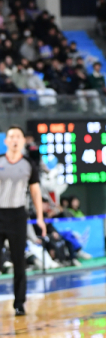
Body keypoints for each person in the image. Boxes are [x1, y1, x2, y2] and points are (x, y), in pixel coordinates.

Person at [0, 125, 46, 315]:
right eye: (11, 136)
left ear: (22, 141)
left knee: (19, 261)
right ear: (6, 141)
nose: (15, 139)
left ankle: (19, 303)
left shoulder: (28, 164)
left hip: (18, 216)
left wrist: (40, 219)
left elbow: (35, 192)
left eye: (18, 136)